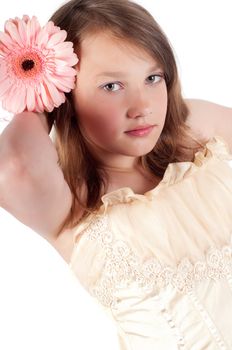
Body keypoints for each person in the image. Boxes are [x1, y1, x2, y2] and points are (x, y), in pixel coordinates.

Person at [0, 0, 232, 349]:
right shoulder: (70, 203)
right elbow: (13, 167)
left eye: (153, 78)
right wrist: (40, 82)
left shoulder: (197, 131)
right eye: (112, 86)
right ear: (67, 95)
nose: (143, 107)